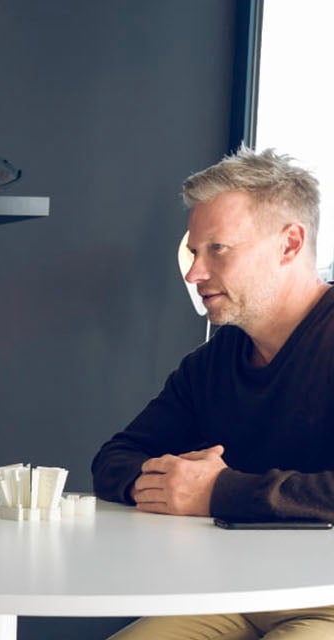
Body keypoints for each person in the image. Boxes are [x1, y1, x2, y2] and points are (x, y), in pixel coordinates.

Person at [92, 147, 334, 640]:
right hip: (232, 594)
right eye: (193, 251)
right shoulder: (214, 362)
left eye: (217, 249)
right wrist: (163, 484)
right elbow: (115, 459)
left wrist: (217, 492)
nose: (193, 273)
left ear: (289, 244)